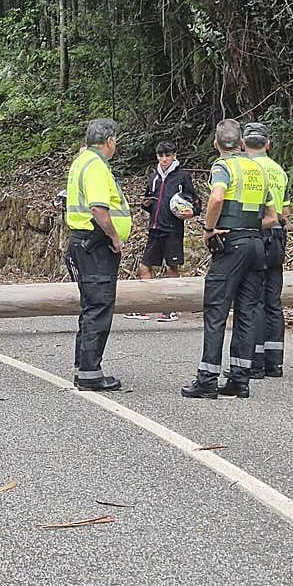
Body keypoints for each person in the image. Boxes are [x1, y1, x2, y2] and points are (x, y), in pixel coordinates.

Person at [181, 119, 277, 400]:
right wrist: (248, 226)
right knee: (247, 313)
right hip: (256, 245)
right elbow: (272, 218)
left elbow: (217, 198)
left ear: (216, 143)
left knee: (216, 310)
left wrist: (210, 229)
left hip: (231, 245)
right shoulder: (258, 170)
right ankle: (239, 379)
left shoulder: (223, 167)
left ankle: (207, 379)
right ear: (243, 143)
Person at [65, 118, 133, 391]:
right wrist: (115, 238)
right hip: (96, 244)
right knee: (99, 306)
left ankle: (84, 366)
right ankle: (90, 372)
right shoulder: (95, 166)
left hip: (85, 243)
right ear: (110, 141)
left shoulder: (82, 161)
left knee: (91, 305)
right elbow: (99, 209)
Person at [126, 141, 201, 322]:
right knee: (144, 267)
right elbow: (149, 201)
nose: (164, 159)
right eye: (161, 156)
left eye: (168, 155)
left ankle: (171, 308)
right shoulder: (154, 177)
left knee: (171, 267)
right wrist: (146, 205)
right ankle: (145, 307)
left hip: (173, 229)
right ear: (157, 157)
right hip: (154, 228)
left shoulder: (182, 177)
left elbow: (196, 202)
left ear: (174, 155)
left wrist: (193, 212)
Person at [243, 122, 290, 379]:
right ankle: (275, 362)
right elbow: (284, 212)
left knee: (254, 300)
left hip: (255, 234)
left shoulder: (246, 169)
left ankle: (255, 360)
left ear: (243, 144)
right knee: (273, 300)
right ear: (268, 144)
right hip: (278, 237)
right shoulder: (279, 171)